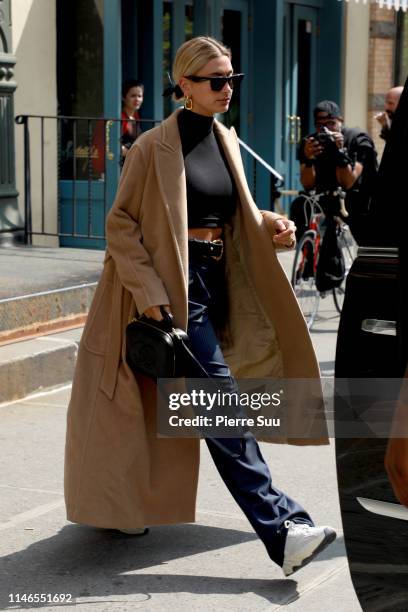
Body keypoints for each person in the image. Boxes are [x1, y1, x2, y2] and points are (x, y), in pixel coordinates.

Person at [64, 36, 336, 578]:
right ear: (184, 85)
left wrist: (268, 222)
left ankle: (124, 506)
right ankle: (283, 531)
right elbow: (120, 227)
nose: (227, 89)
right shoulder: (151, 147)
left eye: (232, 79)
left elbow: (227, 207)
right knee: (219, 407)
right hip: (172, 291)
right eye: (216, 80)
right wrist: (154, 297)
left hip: (218, 280)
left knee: (199, 409)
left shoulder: (226, 139)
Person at [291, 100, 378, 245]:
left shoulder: (357, 139)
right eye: (321, 125)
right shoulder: (312, 142)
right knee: (300, 206)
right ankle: (307, 260)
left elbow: (348, 182)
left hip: (355, 201)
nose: (326, 130)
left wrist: (340, 153)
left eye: (331, 123)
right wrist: (308, 160)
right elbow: (308, 184)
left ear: (341, 121)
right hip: (324, 200)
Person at [120, 79, 144, 165]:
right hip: (121, 166)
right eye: (133, 96)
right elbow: (113, 145)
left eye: (139, 96)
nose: (137, 99)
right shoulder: (120, 117)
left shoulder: (136, 117)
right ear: (124, 97)